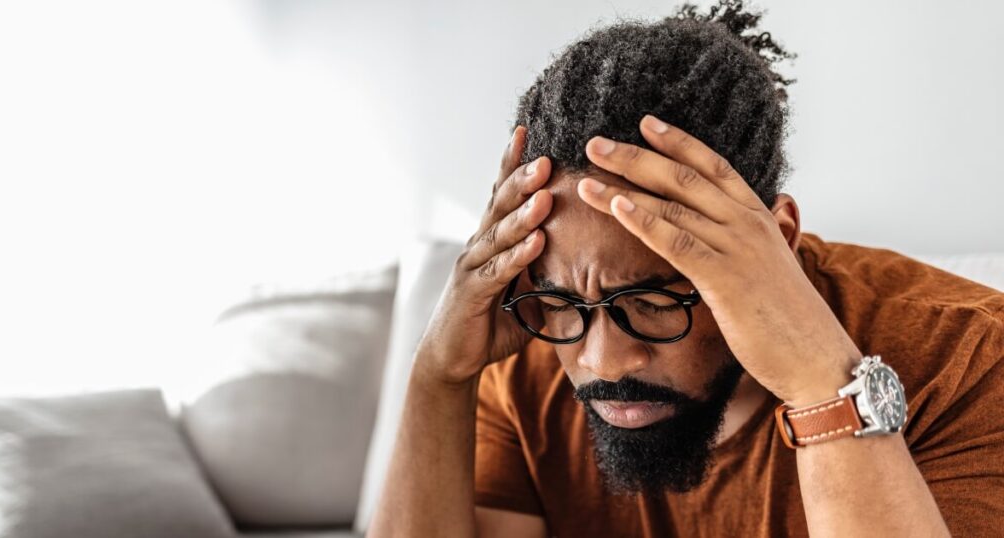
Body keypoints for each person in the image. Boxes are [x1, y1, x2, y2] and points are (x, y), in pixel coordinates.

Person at [368, 1, 1004, 536]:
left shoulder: (968, 359)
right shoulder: (525, 362)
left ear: (778, 240)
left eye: (652, 302)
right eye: (564, 303)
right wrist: (437, 377)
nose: (603, 362)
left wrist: (821, 385)